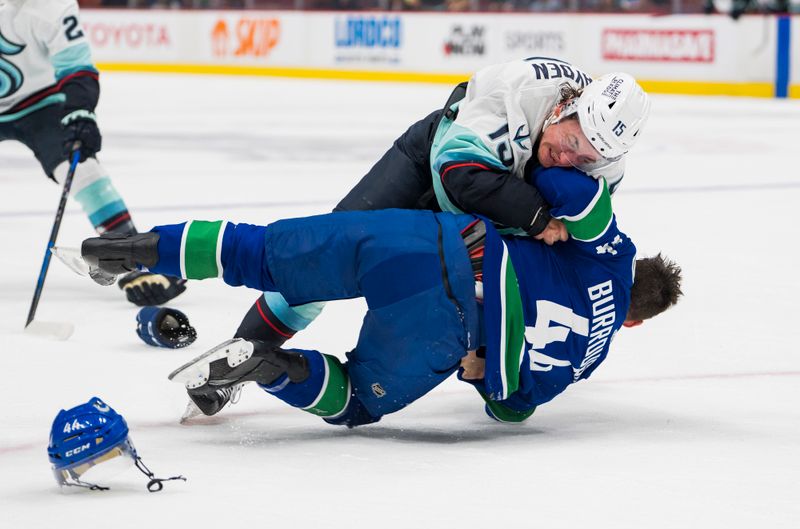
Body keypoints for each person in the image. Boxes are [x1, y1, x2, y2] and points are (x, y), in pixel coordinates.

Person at [80, 166, 682, 426]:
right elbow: (512, 406)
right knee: (358, 401)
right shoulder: (589, 355)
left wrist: (547, 218)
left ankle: (138, 247)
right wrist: (480, 375)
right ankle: (272, 365)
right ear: (636, 323)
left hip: (438, 238)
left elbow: (564, 185)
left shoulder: (612, 250)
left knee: (260, 251)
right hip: (450, 322)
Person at [231, 59, 653, 387]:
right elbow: (460, 172)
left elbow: (546, 261)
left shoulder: (606, 172)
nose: (569, 160)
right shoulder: (520, 87)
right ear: (563, 108)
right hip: (428, 164)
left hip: (482, 216)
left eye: (586, 160)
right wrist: (538, 216)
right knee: (327, 253)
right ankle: (246, 348)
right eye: (572, 142)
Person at [0, 0, 184, 306]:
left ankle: (128, 252)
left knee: (84, 171)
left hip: (40, 102)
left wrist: (79, 112)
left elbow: (76, 65)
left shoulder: (45, 6)